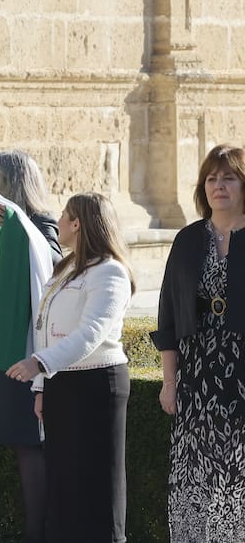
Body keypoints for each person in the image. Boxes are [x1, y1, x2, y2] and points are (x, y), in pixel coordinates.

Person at [6, 192, 134, 543]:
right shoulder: (66, 268)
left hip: (98, 384)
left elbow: (91, 332)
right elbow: (45, 329)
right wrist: (41, 387)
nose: (58, 221)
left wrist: (39, 364)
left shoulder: (110, 271)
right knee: (63, 481)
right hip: (60, 382)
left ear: (76, 223)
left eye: (64, 215)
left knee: (99, 481)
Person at [151, 144, 245, 540]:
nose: (218, 185)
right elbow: (168, 316)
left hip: (241, 374)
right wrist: (169, 382)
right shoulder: (187, 240)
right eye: (211, 178)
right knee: (196, 481)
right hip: (197, 378)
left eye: (229, 178)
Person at [0, 149, 60, 543]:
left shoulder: (39, 222)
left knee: (27, 446)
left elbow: (52, 264)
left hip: (22, 354)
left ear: (14, 183)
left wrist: (16, 226)